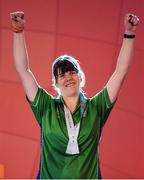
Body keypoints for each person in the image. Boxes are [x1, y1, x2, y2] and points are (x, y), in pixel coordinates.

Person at [10, 11, 139, 179]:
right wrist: (18, 31)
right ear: (55, 82)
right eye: (62, 75)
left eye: (72, 72)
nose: (68, 77)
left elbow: (120, 73)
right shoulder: (45, 106)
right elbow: (23, 70)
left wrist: (129, 34)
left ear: (80, 77)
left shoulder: (96, 107)